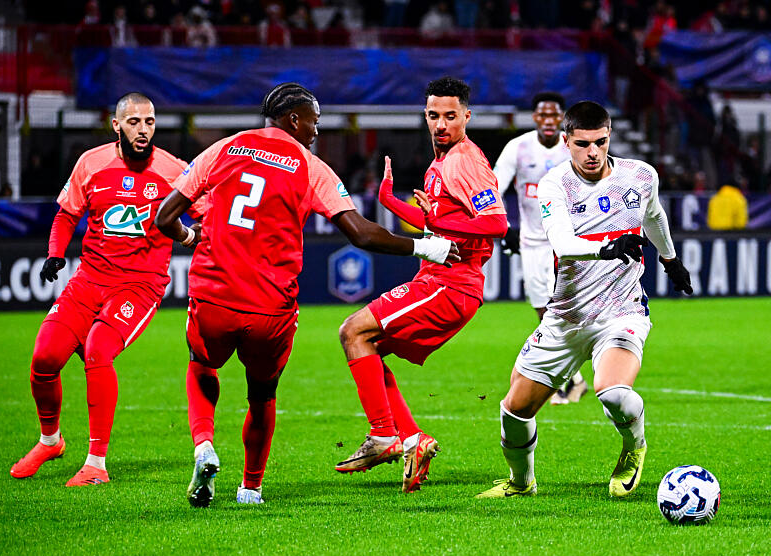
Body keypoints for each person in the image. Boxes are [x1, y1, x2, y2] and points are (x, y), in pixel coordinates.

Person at [154, 82, 458, 507]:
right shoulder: (309, 165)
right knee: (262, 394)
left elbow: (165, 216)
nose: (316, 130)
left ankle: (204, 444)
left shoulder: (223, 149)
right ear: (294, 118)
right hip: (269, 307)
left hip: (213, 295)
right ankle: (250, 488)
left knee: (202, 365)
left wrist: (190, 236)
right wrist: (426, 245)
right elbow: (360, 233)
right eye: (314, 120)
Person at [476, 101, 693, 499]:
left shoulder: (640, 175)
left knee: (611, 391)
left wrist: (671, 260)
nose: (593, 152)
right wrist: (609, 248)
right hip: (566, 315)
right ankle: (522, 483)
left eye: (600, 142)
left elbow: (655, 216)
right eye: (582, 144)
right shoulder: (554, 183)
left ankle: (633, 449)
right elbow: (561, 242)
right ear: (566, 142)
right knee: (514, 410)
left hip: (621, 311)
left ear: (610, 137)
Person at [9, 92, 200, 486]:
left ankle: (96, 464)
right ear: (117, 125)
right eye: (134, 122)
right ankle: (50, 440)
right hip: (89, 280)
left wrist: (195, 235)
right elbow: (66, 215)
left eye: (149, 122)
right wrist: (54, 254)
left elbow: (207, 213)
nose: (143, 129)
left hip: (139, 287)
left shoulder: (173, 170)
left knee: (97, 351)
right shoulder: (91, 163)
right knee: (44, 358)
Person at [335, 77, 507, 493]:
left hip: (451, 282)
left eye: (451, 115)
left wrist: (433, 220)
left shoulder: (464, 160)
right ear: (425, 116)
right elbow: (440, 226)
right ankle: (413, 440)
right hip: (439, 279)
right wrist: (392, 202)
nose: (441, 124)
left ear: (467, 116)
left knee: (353, 331)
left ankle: (384, 436)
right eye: (434, 115)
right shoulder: (440, 162)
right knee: (368, 349)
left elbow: (496, 223)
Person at [493, 92, 589, 406]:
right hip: (533, 243)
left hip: (567, 241)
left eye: (553, 116)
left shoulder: (574, 147)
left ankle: (569, 377)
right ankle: (573, 377)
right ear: (535, 118)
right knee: (542, 311)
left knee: (564, 308)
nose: (548, 121)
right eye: (542, 116)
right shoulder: (518, 148)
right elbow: (495, 188)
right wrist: (502, 225)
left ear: (561, 118)